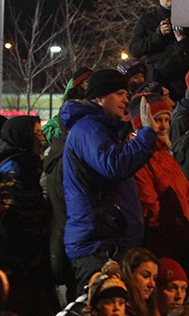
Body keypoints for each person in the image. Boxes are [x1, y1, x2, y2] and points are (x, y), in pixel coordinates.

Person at [62, 71, 158, 286]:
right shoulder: (88, 129)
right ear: (99, 97)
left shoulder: (101, 129)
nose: (126, 99)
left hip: (108, 243)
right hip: (97, 246)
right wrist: (145, 136)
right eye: (119, 93)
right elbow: (114, 165)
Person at [0, 115, 54, 316]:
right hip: (15, 255)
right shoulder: (13, 167)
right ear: (21, 135)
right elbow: (9, 213)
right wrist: (26, 249)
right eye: (36, 134)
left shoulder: (27, 162)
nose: (42, 139)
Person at [129, 94, 189, 264]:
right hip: (160, 238)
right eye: (157, 120)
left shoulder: (167, 156)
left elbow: (186, 193)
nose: (163, 126)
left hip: (180, 234)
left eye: (167, 120)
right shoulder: (140, 156)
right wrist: (163, 224)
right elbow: (147, 198)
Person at [128, 0, 189, 100]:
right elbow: (134, 49)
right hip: (156, 83)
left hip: (183, 82)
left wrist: (186, 39)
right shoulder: (148, 19)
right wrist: (157, 35)